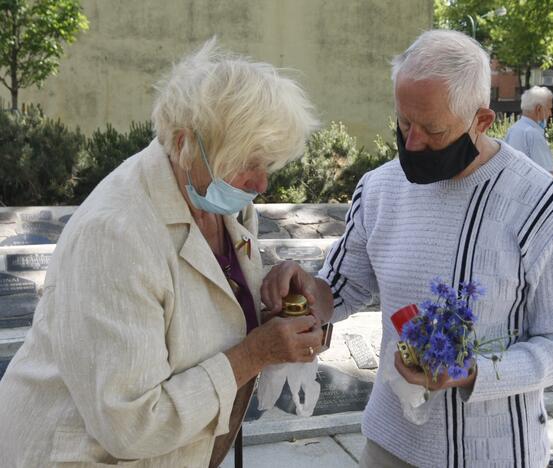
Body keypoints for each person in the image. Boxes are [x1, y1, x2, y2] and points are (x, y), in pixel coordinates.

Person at [262, 30, 553, 467]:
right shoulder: (380, 187)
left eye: (432, 129)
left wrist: (474, 371)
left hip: (494, 454)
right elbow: (341, 289)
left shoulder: (545, 206)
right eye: (404, 123)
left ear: (481, 120)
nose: (413, 142)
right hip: (388, 444)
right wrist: (305, 289)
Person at [0, 39, 323, 467]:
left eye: (269, 164)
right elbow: (131, 426)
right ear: (185, 142)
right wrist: (255, 354)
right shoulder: (116, 234)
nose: (262, 183)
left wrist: (275, 302)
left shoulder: (224, 199)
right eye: (249, 162)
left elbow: (200, 311)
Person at [505, 85, 553, 174]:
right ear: (539, 109)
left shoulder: (513, 129)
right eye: (549, 108)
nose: (550, 114)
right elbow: (547, 175)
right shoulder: (533, 134)